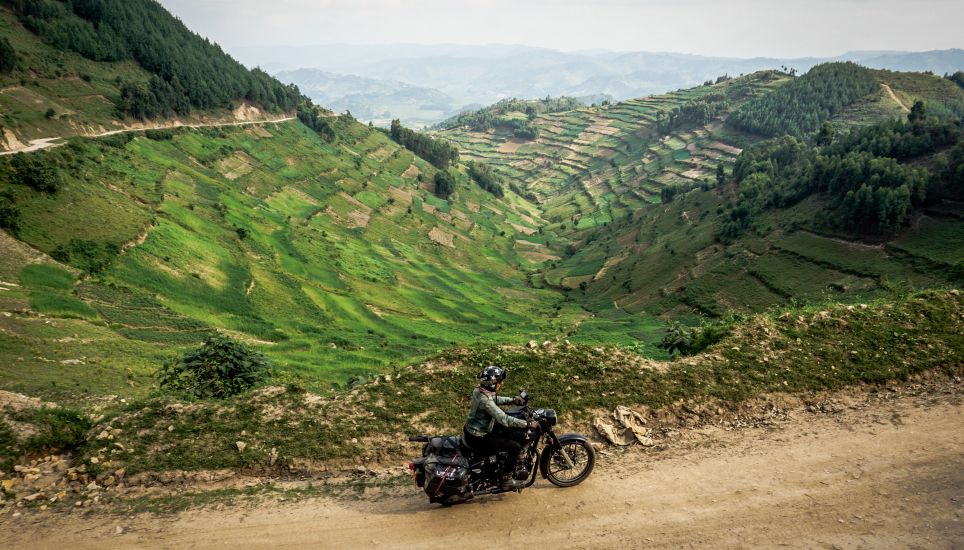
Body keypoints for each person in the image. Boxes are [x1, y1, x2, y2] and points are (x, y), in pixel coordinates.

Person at [463, 365, 539, 490]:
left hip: (471, 431)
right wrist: (527, 424)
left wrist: (513, 400)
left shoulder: (479, 390)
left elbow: (494, 399)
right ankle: (506, 479)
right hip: (479, 437)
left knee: (506, 433)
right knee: (515, 447)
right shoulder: (485, 401)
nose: (501, 383)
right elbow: (504, 419)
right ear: (492, 384)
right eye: (500, 381)